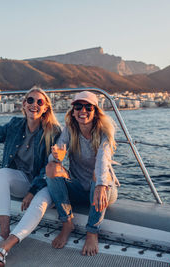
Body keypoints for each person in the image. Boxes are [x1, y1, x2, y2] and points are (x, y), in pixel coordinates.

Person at [0, 87, 66, 266]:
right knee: (1, 174)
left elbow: (48, 168)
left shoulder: (53, 131)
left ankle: (7, 245)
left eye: (40, 102)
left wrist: (32, 191)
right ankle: (4, 232)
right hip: (23, 180)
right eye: (30, 100)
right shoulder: (15, 124)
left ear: (46, 108)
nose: (34, 105)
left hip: (45, 184)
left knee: (40, 200)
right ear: (23, 104)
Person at [46, 91, 119, 256]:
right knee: (51, 167)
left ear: (95, 111)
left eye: (88, 107)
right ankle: (67, 223)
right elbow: (56, 152)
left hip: (104, 190)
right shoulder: (69, 130)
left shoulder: (104, 132)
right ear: (73, 111)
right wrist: (56, 157)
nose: (82, 111)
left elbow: (102, 160)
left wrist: (100, 184)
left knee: (100, 174)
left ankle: (92, 231)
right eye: (78, 107)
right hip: (79, 188)